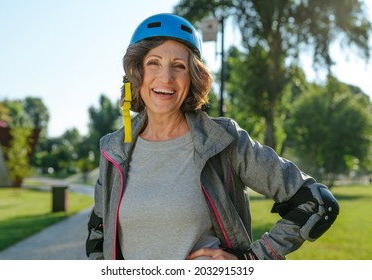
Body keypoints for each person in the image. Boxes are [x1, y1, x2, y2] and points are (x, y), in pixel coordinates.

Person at [85, 13, 339, 260]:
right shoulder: (114, 150)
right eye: (154, 63)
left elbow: (317, 203)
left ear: (193, 77)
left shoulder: (224, 140)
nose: (166, 77)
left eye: (179, 66)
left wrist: (251, 261)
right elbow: (98, 237)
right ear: (136, 73)